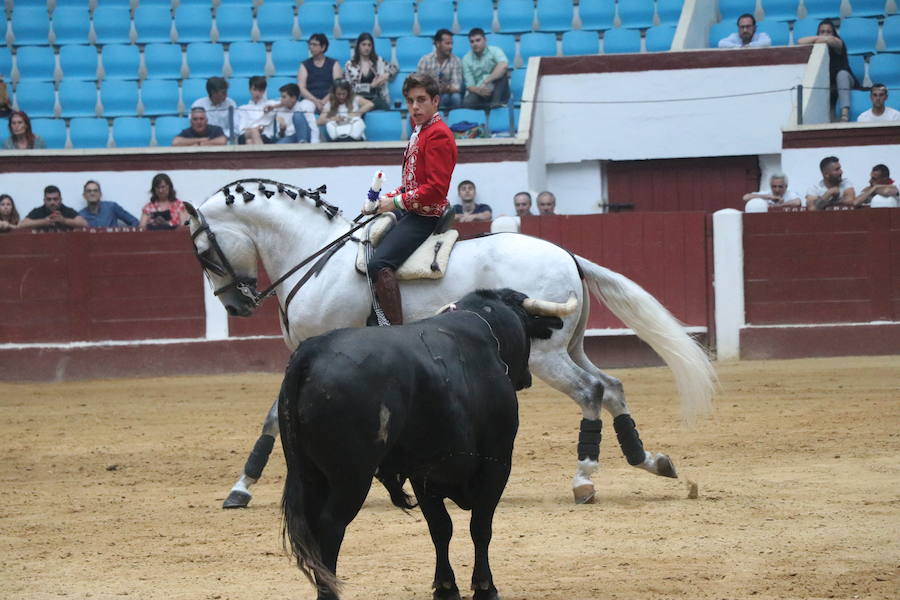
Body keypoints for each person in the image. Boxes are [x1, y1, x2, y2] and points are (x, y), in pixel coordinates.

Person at [365, 73, 458, 325]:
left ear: (435, 101)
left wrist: (394, 203)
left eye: (421, 100)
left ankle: (397, 332)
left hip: (425, 215)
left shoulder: (437, 134)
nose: (414, 107)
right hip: (413, 210)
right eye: (409, 101)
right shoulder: (422, 131)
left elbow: (436, 189)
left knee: (378, 264)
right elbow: (410, 185)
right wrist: (383, 199)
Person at [798, 19, 855, 122]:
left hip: (845, 81)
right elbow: (800, 42)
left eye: (828, 32)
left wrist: (820, 39)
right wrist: (820, 38)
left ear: (834, 33)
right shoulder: (817, 45)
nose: (825, 35)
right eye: (822, 31)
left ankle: (844, 115)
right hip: (828, 87)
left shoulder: (839, 43)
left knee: (842, 75)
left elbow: (832, 41)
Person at [298, 33, 343, 143]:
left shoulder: (334, 63)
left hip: (329, 98)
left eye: (314, 44)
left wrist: (323, 101)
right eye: (310, 44)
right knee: (303, 107)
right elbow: (301, 88)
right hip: (311, 99)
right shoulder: (304, 65)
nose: (311, 47)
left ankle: (331, 140)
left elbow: (337, 86)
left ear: (323, 47)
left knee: (332, 107)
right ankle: (314, 138)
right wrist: (315, 101)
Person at [345, 32, 397, 111]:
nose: (367, 48)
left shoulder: (378, 61)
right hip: (359, 99)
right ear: (358, 46)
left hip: (376, 97)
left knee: (386, 109)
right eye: (364, 44)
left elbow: (394, 68)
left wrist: (387, 75)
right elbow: (351, 87)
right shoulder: (350, 65)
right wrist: (370, 86)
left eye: (369, 45)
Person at [462, 28, 510, 109]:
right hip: (480, 92)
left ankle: (495, 104)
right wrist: (479, 90)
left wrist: (486, 81)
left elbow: (503, 65)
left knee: (502, 73)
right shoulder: (466, 59)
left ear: (485, 40)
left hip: (498, 90)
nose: (475, 44)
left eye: (478, 40)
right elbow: (470, 86)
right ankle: (490, 106)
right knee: (467, 102)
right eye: (472, 41)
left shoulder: (494, 50)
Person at [416, 28, 464, 110]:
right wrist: (436, 89)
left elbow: (457, 86)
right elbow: (419, 85)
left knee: (455, 97)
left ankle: (456, 120)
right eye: (447, 43)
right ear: (437, 44)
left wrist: (447, 88)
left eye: (452, 43)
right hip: (430, 96)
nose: (451, 46)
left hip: (449, 95)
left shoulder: (456, 61)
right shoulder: (425, 60)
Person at [19, 185, 89, 231]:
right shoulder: (38, 211)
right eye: (49, 199)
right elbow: (21, 225)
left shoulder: (67, 210)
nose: (52, 202)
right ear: (44, 201)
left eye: (55, 199)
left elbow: (85, 224)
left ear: (61, 200)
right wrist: (44, 222)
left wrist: (64, 221)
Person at [190, 76, 237, 141]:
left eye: (226, 92)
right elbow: (194, 127)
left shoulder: (231, 104)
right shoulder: (198, 105)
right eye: (223, 92)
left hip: (226, 140)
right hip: (205, 140)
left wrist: (221, 137)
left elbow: (235, 127)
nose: (226, 95)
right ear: (213, 92)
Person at [236, 76, 278, 145]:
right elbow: (241, 129)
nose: (257, 93)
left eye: (260, 90)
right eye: (255, 90)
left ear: (264, 91)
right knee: (253, 132)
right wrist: (254, 130)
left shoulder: (271, 104)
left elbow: (285, 103)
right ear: (250, 89)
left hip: (264, 136)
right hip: (246, 135)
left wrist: (272, 107)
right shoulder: (243, 108)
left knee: (249, 141)